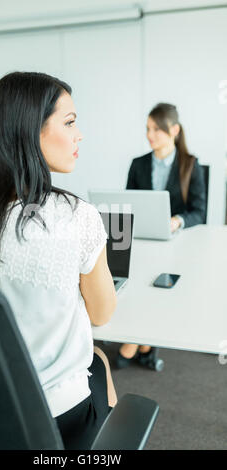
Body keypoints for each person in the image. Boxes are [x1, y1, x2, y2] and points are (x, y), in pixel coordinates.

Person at [0, 71, 118, 449]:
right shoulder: (76, 215)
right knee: (100, 359)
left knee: (98, 359)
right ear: (30, 131)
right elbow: (102, 314)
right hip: (60, 414)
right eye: (70, 122)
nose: (79, 135)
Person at [117, 102, 206, 368]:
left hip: (176, 242)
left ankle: (138, 339)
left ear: (174, 130)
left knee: (155, 276)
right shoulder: (139, 164)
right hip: (143, 238)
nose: (150, 135)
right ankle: (143, 341)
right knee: (131, 271)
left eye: (156, 129)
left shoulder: (190, 165)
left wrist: (177, 221)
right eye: (147, 129)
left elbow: (199, 212)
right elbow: (127, 205)